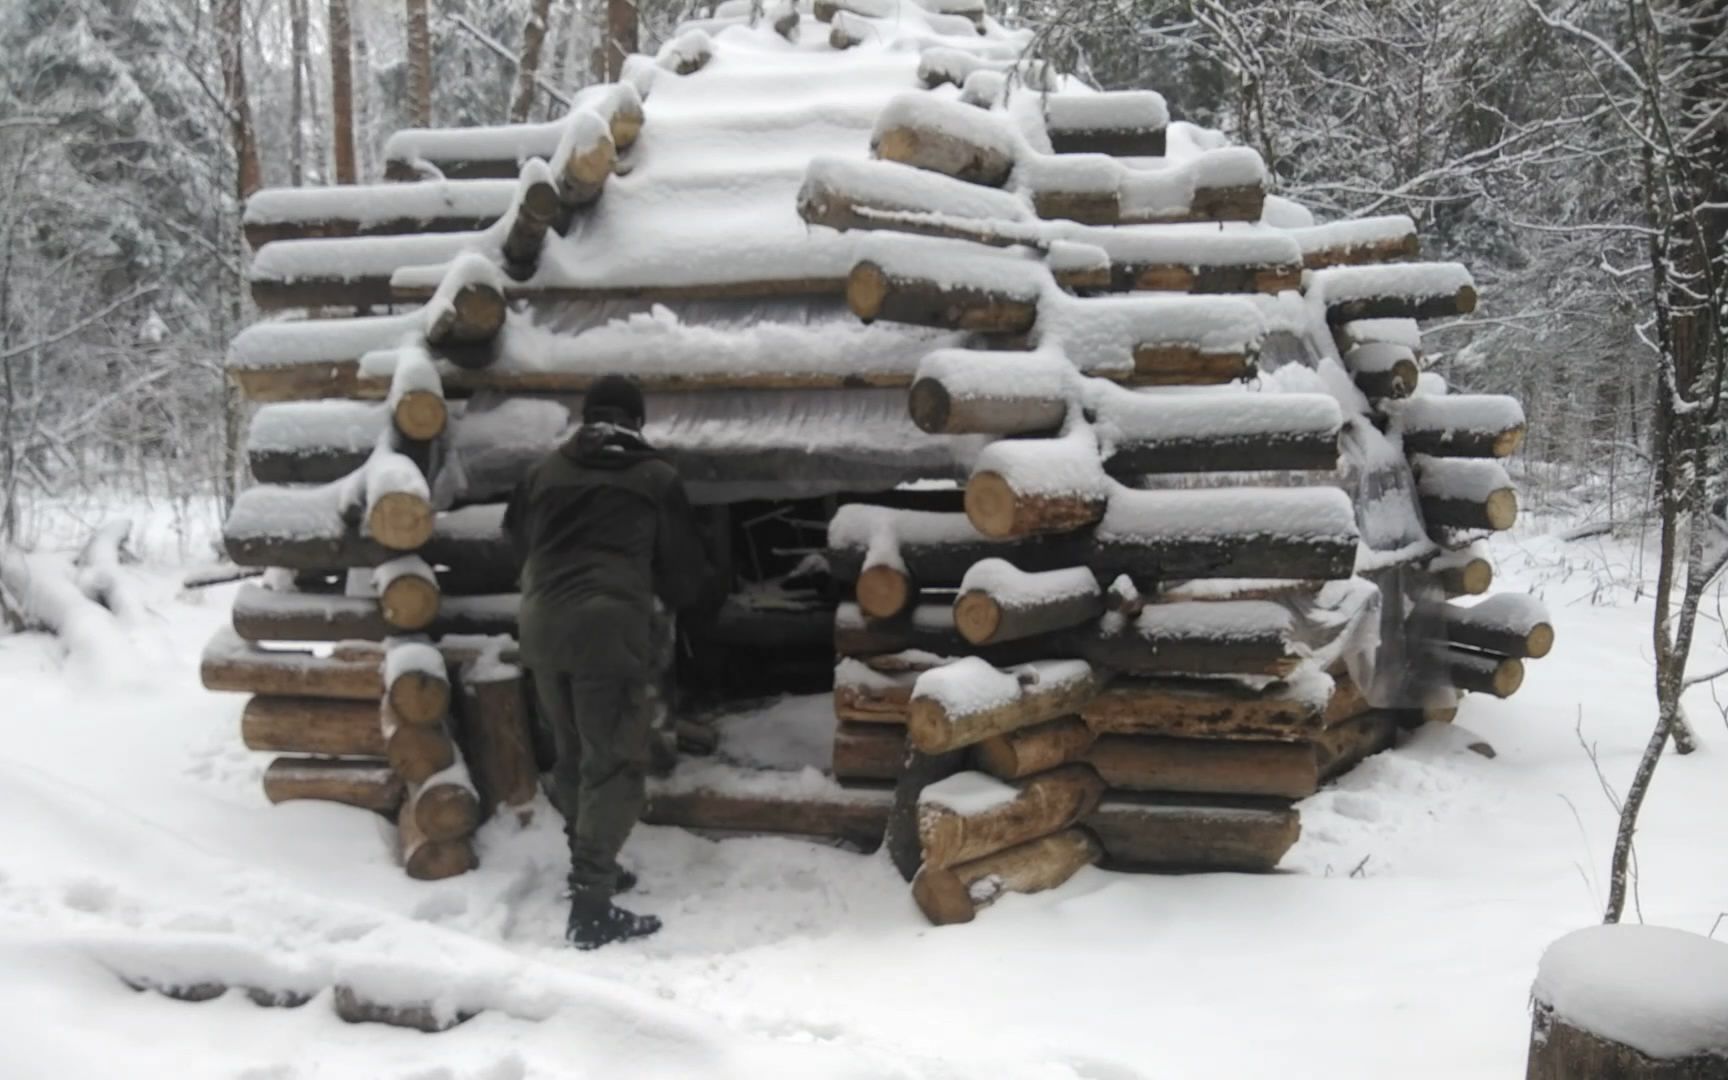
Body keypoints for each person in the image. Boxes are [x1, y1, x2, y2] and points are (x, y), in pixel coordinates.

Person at [504, 374, 708, 949]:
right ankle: (591, 906)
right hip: (609, 633)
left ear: (586, 418)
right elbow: (685, 573)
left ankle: (593, 863)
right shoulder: (656, 478)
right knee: (615, 762)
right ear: (637, 421)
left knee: (570, 756)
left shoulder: (541, 474)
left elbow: (516, 544)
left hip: (542, 630)